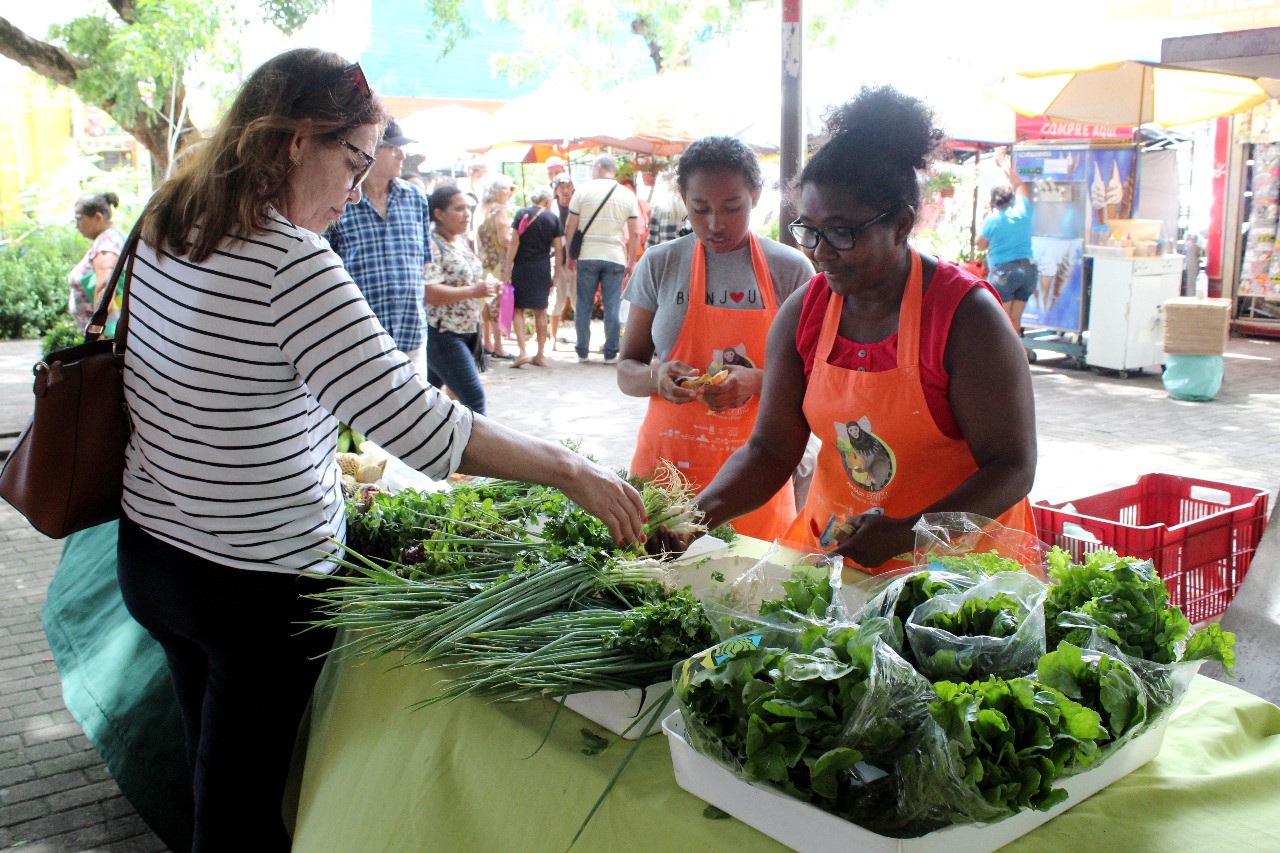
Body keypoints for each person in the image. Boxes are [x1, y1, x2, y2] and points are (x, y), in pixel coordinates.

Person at [117, 48, 644, 852]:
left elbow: (191, 381)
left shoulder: (170, 216)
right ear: (299, 141)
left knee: (214, 773)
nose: (361, 188)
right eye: (355, 161)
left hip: (154, 552)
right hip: (249, 586)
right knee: (242, 820)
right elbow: (419, 421)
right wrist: (571, 468)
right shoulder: (289, 259)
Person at [687, 85, 1036, 572]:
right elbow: (770, 450)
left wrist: (908, 534)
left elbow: (1012, 468)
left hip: (957, 580)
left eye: (842, 231)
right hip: (836, 557)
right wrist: (695, 516)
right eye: (808, 229)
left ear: (900, 225)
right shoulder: (804, 313)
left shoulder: (966, 318)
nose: (820, 251)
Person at [618, 137, 813, 541]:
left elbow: (818, 379)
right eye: (700, 209)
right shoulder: (660, 263)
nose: (715, 224)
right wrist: (658, 378)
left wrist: (757, 381)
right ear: (684, 200)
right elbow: (626, 368)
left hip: (757, 473)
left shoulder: (791, 270)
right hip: (667, 466)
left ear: (756, 196)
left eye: (732, 207)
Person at [326, 119, 432, 378]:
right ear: (370, 150)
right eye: (393, 147)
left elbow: (424, 261)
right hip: (360, 339)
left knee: (415, 417)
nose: (402, 154)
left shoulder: (415, 198)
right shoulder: (343, 199)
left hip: (411, 334)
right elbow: (327, 268)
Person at [424, 185, 496, 413]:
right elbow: (430, 293)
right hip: (444, 334)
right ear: (439, 214)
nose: (467, 214)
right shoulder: (432, 244)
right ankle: (483, 449)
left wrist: (488, 288)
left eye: (468, 208)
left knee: (428, 402)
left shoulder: (460, 241)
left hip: (467, 331)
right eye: (459, 208)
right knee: (474, 400)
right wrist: (474, 291)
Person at [564, 154, 642, 365]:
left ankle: (582, 351)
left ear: (598, 167)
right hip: (615, 257)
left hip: (587, 256)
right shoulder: (627, 195)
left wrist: (570, 254)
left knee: (583, 305)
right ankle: (610, 353)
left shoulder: (583, 191)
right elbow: (635, 233)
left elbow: (570, 225)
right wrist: (631, 260)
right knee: (612, 306)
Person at [502, 186, 563, 367]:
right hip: (542, 268)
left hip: (522, 267)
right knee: (540, 311)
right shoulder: (552, 218)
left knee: (518, 309)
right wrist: (557, 274)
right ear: (546, 201)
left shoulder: (522, 213)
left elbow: (514, 242)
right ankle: (541, 355)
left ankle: (522, 352)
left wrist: (507, 269)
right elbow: (559, 249)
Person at [976, 150, 1036, 330]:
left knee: (1002, 323)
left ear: (993, 202)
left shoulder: (993, 219)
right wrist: (1004, 164)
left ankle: (1002, 358)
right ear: (1011, 198)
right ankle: (1017, 357)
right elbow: (1019, 183)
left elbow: (980, 245)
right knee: (1015, 321)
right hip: (1028, 270)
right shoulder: (1023, 209)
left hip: (1004, 272)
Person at [68, 191, 125, 334]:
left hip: (105, 335)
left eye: (80, 219)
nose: (77, 226)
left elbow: (105, 285)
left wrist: (96, 330)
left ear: (98, 217)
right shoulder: (105, 239)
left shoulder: (107, 242)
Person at [475, 174, 516, 360]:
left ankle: (487, 342)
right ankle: (499, 346)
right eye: (507, 188)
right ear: (496, 191)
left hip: (481, 262)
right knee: (498, 303)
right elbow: (504, 239)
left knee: (485, 304)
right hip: (497, 262)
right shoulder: (499, 210)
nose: (509, 192)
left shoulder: (479, 209)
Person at [548, 173, 576, 350]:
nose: (565, 191)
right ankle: (553, 338)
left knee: (577, 301)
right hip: (556, 261)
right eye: (561, 187)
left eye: (568, 186)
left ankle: (582, 339)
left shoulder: (578, 205)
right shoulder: (551, 208)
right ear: (556, 190)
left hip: (575, 261)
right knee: (556, 301)